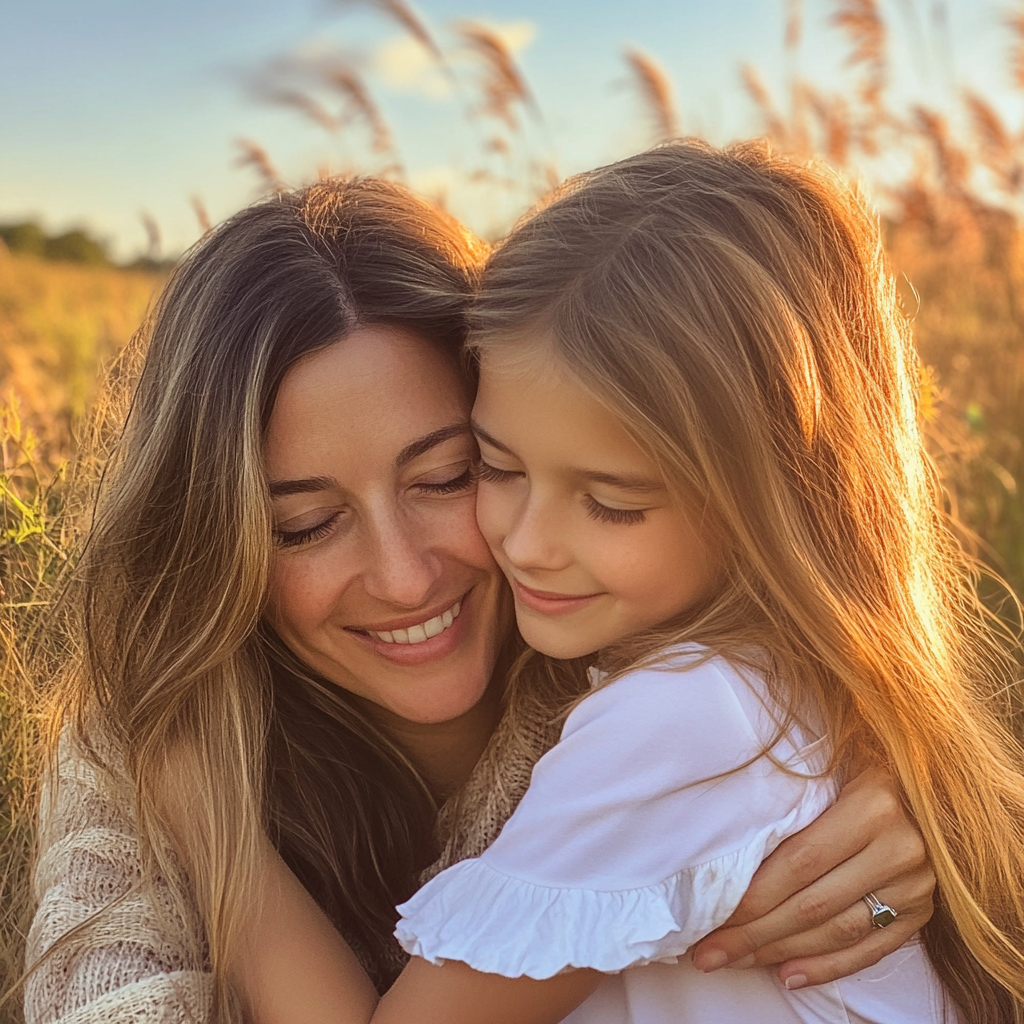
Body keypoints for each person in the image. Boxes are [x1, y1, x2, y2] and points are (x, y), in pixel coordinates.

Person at [24, 175, 935, 1024]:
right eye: (305, 524)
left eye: (453, 474)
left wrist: (909, 816)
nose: (405, 577)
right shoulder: (139, 752)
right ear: (212, 548)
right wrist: (201, 804)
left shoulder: (660, 697)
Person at [226, 144, 1024, 1022]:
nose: (527, 544)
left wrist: (209, 830)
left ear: (776, 497)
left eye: (609, 504)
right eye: (492, 467)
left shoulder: (679, 719)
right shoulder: (782, 692)